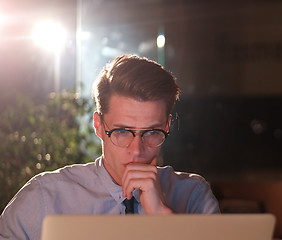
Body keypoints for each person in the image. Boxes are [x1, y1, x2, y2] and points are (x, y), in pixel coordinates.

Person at [0, 54, 220, 239]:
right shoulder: (45, 196)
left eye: (151, 132)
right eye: (122, 132)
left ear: (167, 126)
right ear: (98, 126)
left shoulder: (193, 196)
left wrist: (162, 216)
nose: (136, 150)